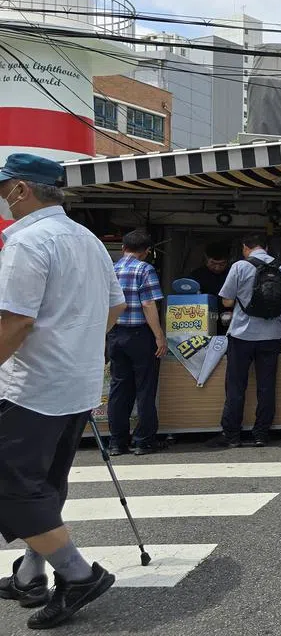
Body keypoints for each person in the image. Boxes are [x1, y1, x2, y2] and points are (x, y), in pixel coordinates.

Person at [0, 153, 126, 629]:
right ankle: (32, 572)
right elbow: (114, 307)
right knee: (44, 482)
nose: (3, 200)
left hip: (31, 387)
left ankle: (77, 575)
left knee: (12, 486)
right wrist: (76, 345)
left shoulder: (28, 242)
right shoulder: (88, 239)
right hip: (75, 384)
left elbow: (16, 322)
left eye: (4, 189)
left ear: (22, 190)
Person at [212, 233, 281, 448]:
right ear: (267, 248)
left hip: (242, 334)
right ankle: (261, 434)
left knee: (236, 386)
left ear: (245, 248)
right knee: (266, 386)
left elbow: (227, 301)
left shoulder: (240, 267)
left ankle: (232, 435)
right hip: (272, 335)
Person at [107, 229, 167, 457]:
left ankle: (116, 442)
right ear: (147, 252)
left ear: (123, 248)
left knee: (119, 388)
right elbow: (149, 305)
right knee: (145, 388)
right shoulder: (145, 269)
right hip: (140, 335)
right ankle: (143, 441)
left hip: (115, 334)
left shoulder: (111, 269)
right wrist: (159, 336)